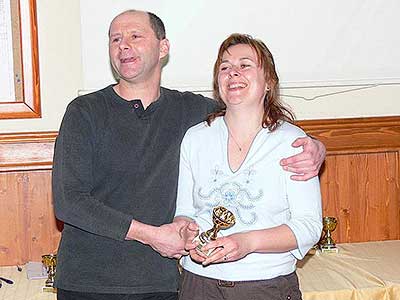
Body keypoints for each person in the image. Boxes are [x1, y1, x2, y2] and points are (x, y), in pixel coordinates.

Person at [52, 10, 325, 300]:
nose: (124, 45)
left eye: (135, 36)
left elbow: (246, 111)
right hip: (88, 283)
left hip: (161, 284)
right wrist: (152, 235)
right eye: (115, 39)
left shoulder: (190, 112)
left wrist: (315, 146)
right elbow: (69, 202)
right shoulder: (85, 112)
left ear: (163, 48)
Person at [175, 33, 323, 300]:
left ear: (269, 81)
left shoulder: (292, 142)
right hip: (197, 284)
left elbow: (309, 226)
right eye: (225, 67)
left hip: (265, 285)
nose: (233, 73)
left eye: (245, 65)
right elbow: (185, 212)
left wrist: (247, 242)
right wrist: (186, 232)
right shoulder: (195, 138)